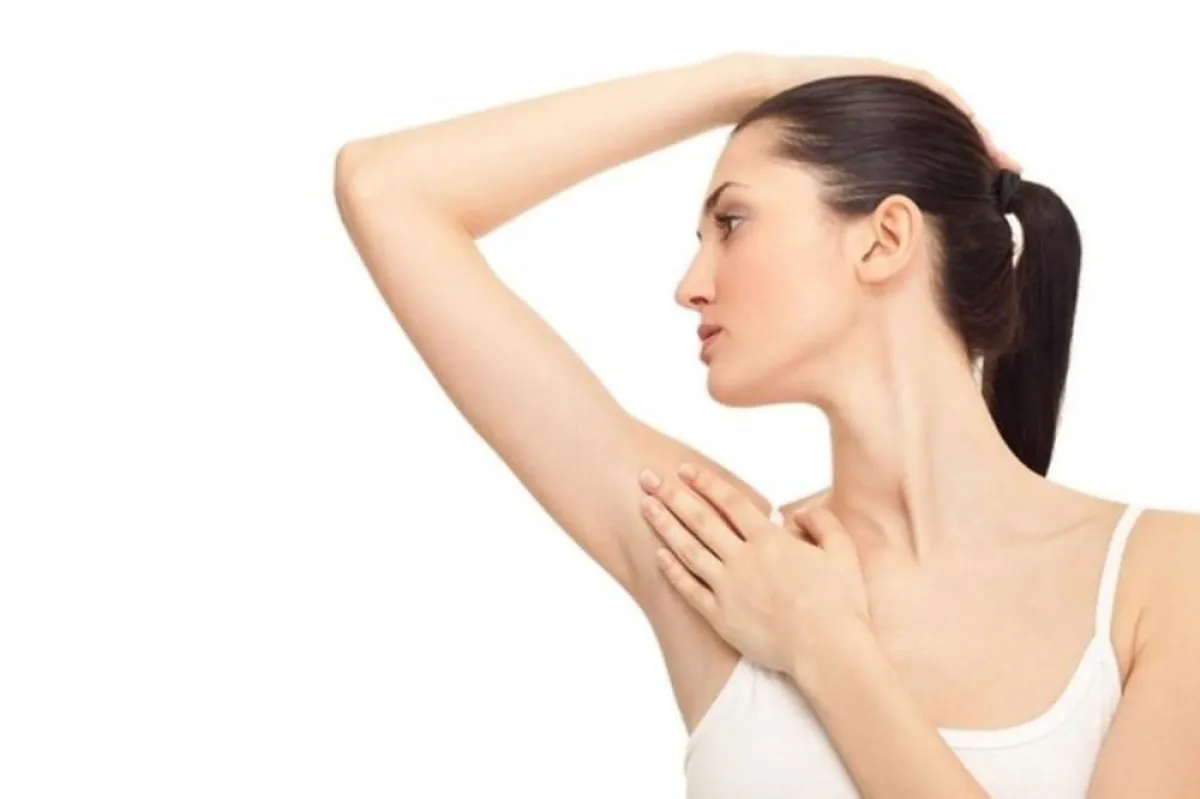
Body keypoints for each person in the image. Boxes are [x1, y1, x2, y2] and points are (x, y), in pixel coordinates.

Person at [332, 53, 1200, 797]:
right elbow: (387, 189)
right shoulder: (720, 555)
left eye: (731, 222)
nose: (690, 285)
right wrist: (746, 80)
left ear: (883, 239)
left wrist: (827, 648)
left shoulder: (1163, 578)